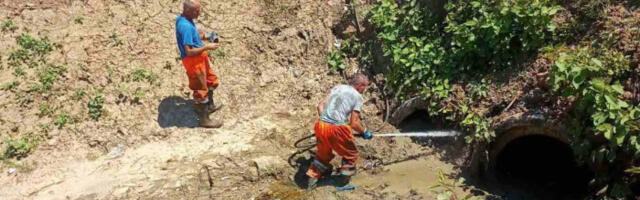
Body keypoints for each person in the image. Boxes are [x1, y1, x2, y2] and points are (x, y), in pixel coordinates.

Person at [305, 73, 373, 189]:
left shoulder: (337, 88)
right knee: (351, 154)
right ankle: (342, 183)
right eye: (364, 87)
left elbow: (320, 106)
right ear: (360, 86)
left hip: (320, 125)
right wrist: (364, 132)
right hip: (337, 129)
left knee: (322, 155)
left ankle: (311, 181)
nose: (364, 90)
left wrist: (326, 122)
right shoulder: (357, 96)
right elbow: (354, 123)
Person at [175, 0, 223, 128]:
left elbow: (193, 37)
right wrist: (207, 47)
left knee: (211, 81)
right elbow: (189, 51)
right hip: (193, 61)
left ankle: (209, 106)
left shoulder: (185, 20)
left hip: (200, 58)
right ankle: (204, 120)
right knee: (201, 89)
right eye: (197, 11)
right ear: (189, 11)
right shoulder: (185, 26)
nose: (199, 13)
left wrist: (205, 37)